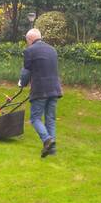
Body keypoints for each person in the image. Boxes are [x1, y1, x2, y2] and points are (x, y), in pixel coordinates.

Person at [18, 28, 63, 158]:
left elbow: (26, 70)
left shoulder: (29, 51)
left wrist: (22, 83)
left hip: (40, 90)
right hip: (54, 89)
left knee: (35, 118)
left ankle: (47, 140)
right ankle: (52, 150)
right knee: (50, 119)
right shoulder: (52, 50)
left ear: (30, 39)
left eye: (27, 41)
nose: (27, 43)